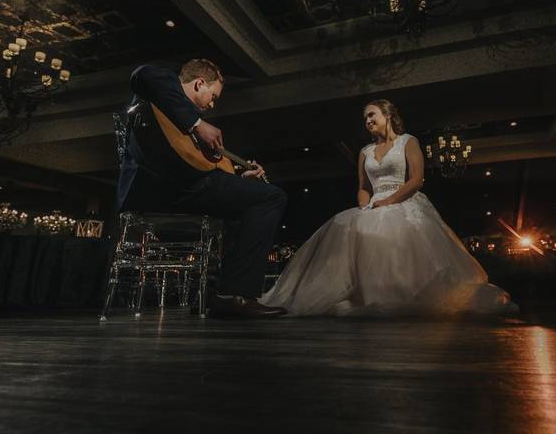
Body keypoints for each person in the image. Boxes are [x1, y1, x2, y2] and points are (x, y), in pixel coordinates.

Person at [260, 99, 517, 317]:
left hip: (403, 199)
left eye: (371, 115)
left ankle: (402, 293)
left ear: (388, 115)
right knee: (343, 225)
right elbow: (362, 186)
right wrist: (364, 205)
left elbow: (416, 179)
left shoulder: (408, 141)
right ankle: (360, 294)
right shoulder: (365, 151)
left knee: (400, 243)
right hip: (372, 204)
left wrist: (389, 201)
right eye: (365, 118)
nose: (367, 121)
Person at [118, 59, 288, 318]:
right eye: (213, 97)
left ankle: (221, 294)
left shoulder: (184, 126)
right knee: (272, 197)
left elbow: (200, 165)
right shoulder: (161, 91)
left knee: (250, 203)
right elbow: (143, 74)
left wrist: (242, 177)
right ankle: (234, 294)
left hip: (185, 189)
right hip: (163, 190)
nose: (211, 105)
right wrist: (196, 123)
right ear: (199, 83)